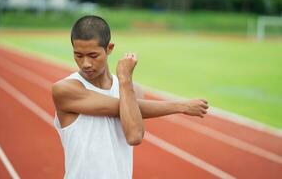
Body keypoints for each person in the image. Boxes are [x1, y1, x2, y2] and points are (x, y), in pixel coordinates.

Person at [51, 15, 209, 179]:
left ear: (109, 48)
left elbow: (134, 136)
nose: (85, 64)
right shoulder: (65, 90)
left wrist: (125, 83)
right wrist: (181, 106)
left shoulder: (133, 90)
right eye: (78, 55)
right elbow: (123, 109)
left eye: (93, 55)